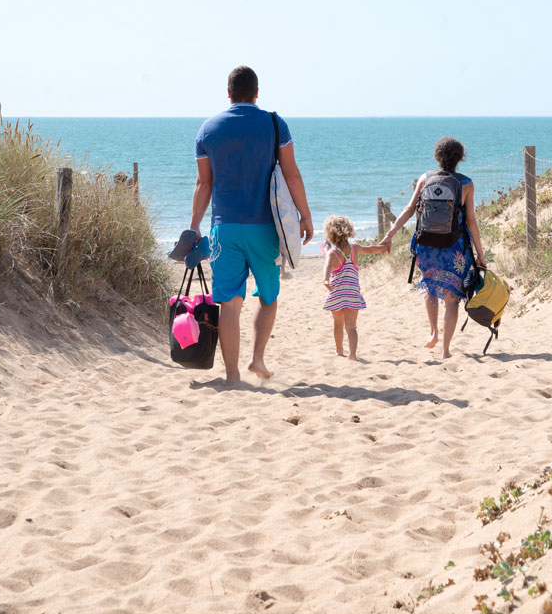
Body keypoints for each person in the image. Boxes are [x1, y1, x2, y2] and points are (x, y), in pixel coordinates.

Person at [189, 66, 312, 384]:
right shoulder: (274, 123)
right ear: (257, 93)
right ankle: (257, 358)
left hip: (224, 229)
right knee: (268, 297)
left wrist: (194, 226)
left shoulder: (207, 129)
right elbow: (291, 174)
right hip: (264, 228)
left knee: (230, 304)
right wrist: (305, 216)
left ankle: (232, 376)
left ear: (228, 93)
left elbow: (204, 184)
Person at [380, 137, 486, 359]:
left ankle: (433, 333)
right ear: (460, 158)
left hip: (426, 245)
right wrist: (480, 253)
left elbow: (409, 209)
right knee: (451, 299)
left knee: (430, 287)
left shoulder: (426, 178)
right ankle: (445, 350)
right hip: (454, 247)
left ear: (437, 156)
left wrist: (390, 234)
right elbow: (471, 222)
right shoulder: (466, 183)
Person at [321, 215, 387, 360]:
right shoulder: (355, 248)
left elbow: (327, 266)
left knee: (338, 324)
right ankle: (352, 355)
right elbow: (370, 250)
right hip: (352, 294)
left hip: (337, 294)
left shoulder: (332, 253)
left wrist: (326, 279)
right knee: (351, 327)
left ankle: (339, 351)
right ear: (349, 231)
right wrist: (384, 247)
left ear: (330, 235)